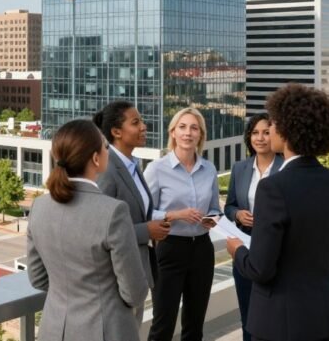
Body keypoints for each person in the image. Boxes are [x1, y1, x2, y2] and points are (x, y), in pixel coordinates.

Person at [226, 84, 329, 341]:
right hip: (325, 316)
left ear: (285, 129)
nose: (268, 130)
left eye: (272, 124)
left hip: (280, 322)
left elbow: (260, 269)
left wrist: (237, 249)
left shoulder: (273, 187)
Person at [27, 119, 148, 341]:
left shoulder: (39, 207)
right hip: (106, 330)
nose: (107, 152)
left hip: (54, 330)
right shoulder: (113, 212)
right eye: (104, 147)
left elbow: (37, 278)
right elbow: (134, 292)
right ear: (95, 158)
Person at [144, 107, 220, 341]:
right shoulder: (157, 169)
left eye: (194, 128)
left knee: (194, 324)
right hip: (169, 248)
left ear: (201, 135)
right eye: (182, 127)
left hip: (202, 250)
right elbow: (144, 213)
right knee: (163, 323)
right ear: (173, 133)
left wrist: (213, 219)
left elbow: (216, 208)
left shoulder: (209, 169)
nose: (188, 133)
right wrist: (175, 215)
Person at [93, 100, 171, 323]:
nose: (144, 126)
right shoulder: (107, 171)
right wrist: (147, 231)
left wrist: (165, 218)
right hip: (117, 280)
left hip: (136, 273)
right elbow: (101, 230)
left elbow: (139, 213)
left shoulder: (133, 165)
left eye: (142, 121)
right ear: (116, 132)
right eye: (136, 122)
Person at [223, 113, 284, 341]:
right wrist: (238, 214)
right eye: (255, 133)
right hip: (245, 252)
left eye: (266, 132)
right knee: (248, 315)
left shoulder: (285, 168)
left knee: (272, 317)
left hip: (275, 254)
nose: (260, 138)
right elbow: (229, 206)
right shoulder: (240, 168)